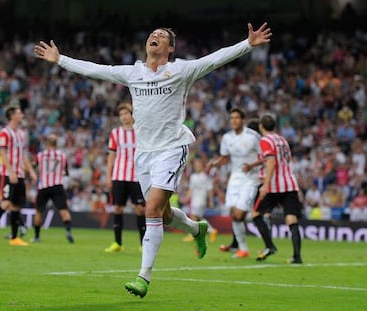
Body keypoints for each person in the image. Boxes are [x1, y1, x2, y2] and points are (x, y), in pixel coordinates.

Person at [34, 22, 271, 298]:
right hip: (143, 153)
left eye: (161, 36)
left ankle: (143, 277)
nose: (154, 37)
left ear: (170, 48)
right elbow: (96, 70)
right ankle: (196, 228)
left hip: (172, 148)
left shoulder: (181, 70)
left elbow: (215, 59)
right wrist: (60, 59)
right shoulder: (133, 72)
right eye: (152, 35)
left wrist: (247, 44)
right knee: (164, 214)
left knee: (151, 210)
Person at [208, 108, 262, 258]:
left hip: (250, 178)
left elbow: (265, 157)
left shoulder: (253, 136)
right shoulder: (227, 138)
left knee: (239, 214)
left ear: (243, 120)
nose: (234, 121)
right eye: (231, 118)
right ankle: (242, 249)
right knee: (234, 214)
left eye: (237, 118)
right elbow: (225, 158)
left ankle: (260, 216)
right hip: (235, 178)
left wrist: (252, 165)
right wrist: (215, 163)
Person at [252, 114, 303, 264]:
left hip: (274, 185)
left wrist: (265, 185)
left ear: (261, 126)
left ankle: (270, 246)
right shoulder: (282, 140)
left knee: (256, 214)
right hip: (290, 183)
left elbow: (271, 162)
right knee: (291, 219)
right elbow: (275, 159)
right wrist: (252, 165)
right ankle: (297, 257)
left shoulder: (265, 140)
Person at [0, 105, 37, 246]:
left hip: (19, 174)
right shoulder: (4, 133)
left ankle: (14, 238)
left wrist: (30, 170)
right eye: (19, 113)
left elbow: (23, 155)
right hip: (8, 173)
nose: (21, 115)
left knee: (17, 205)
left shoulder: (21, 133)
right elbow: (3, 153)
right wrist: (11, 171)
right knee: (6, 202)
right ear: (12, 116)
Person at [104, 102, 146, 253]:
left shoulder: (141, 131)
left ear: (132, 115)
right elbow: (111, 156)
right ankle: (117, 243)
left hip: (137, 177)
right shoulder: (115, 133)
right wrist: (108, 176)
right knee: (118, 208)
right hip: (119, 176)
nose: (124, 117)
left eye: (126, 113)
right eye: (121, 114)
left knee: (140, 209)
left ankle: (143, 244)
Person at [32, 133, 74, 243]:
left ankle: (37, 237)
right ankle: (68, 231)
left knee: (39, 212)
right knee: (63, 210)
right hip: (57, 185)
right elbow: (66, 172)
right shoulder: (62, 156)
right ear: (56, 144)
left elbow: (34, 167)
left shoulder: (40, 155)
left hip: (44, 186)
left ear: (47, 143)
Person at [182, 158, 218, 243]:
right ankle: (211, 231)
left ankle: (193, 235)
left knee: (194, 216)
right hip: (194, 199)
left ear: (202, 166)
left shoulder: (206, 177)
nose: (197, 167)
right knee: (197, 217)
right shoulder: (193, 177)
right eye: (195, 166)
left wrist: (211, 200)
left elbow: (210, 189)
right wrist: (187, 198)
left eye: (198, 165)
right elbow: (191, 189)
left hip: (201, 199)